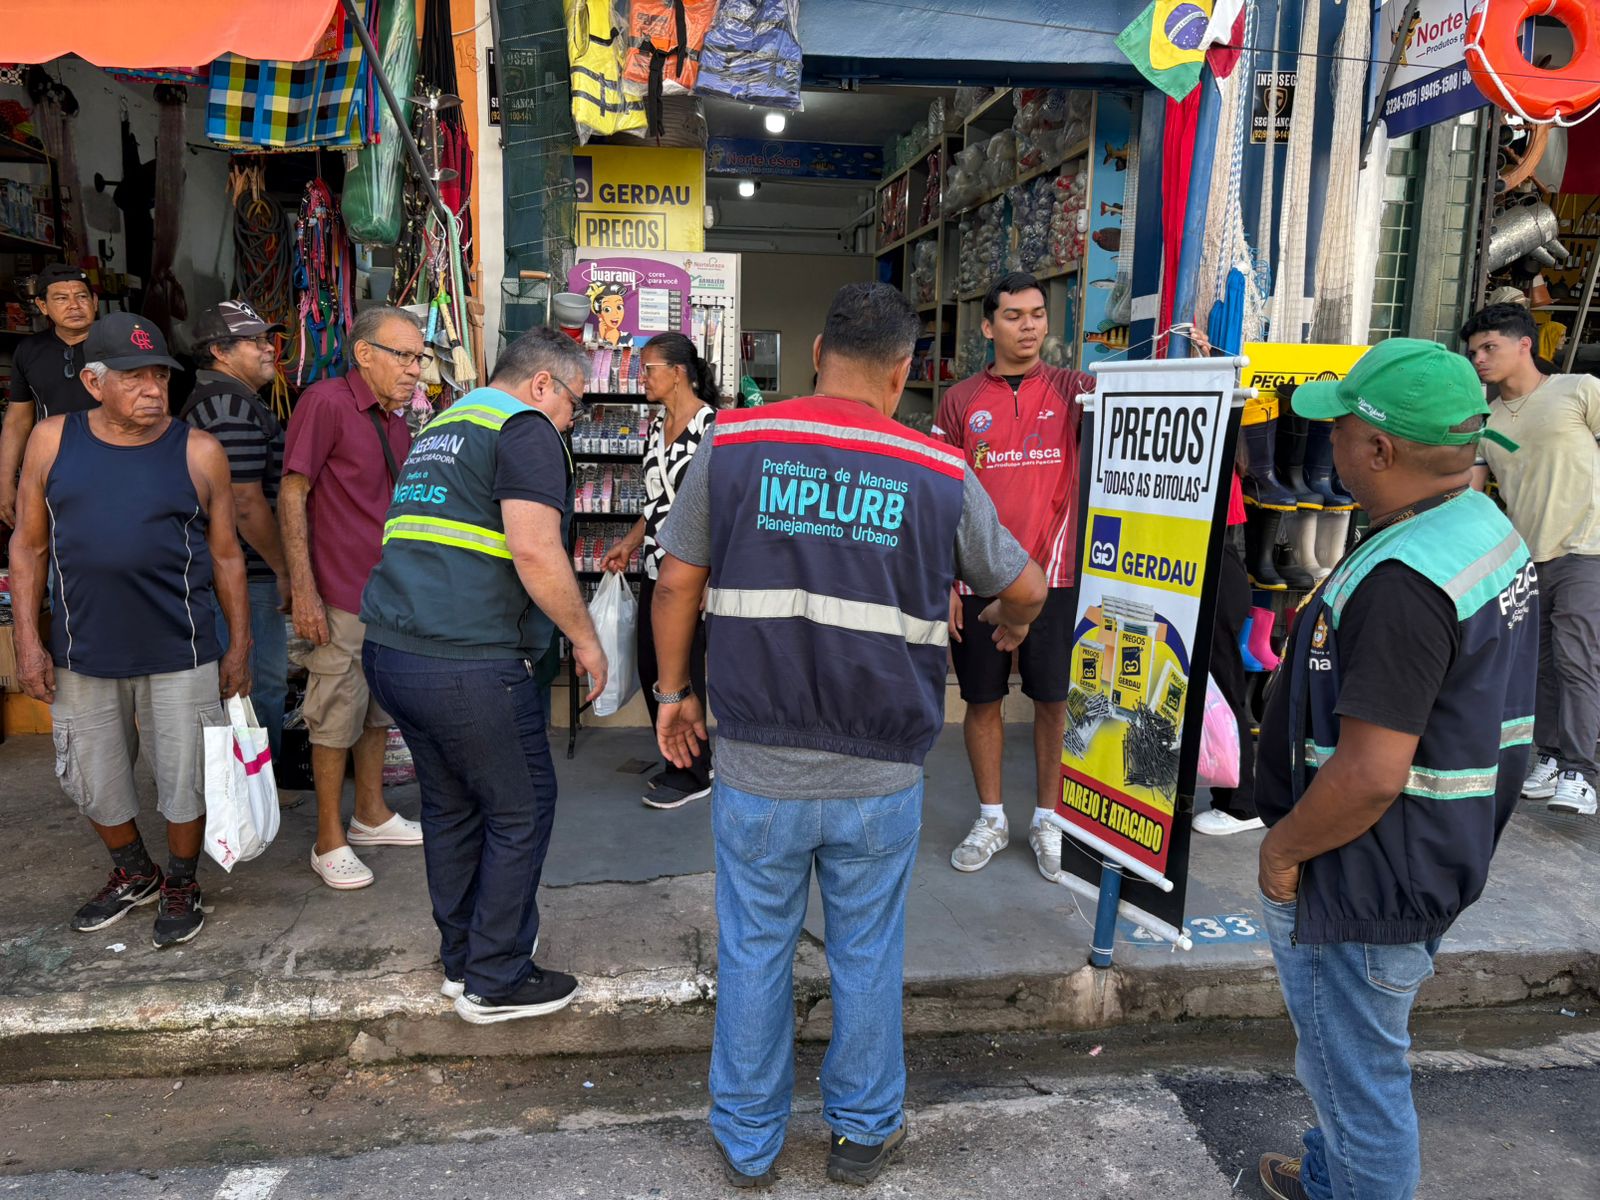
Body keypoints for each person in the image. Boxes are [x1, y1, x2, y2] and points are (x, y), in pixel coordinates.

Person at [652, 283, 1046, 1187]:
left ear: (817, 353)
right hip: (880, 774)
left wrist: (675, 694)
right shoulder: (940, 470)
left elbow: (675, 584)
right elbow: (1024, 586)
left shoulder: (733, 442)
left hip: (758, 764)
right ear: (904, 372)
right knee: (867, 951)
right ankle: (863, 1131)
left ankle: (748, 1141)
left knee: (754, 948)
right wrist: (1013, 623)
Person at [1252, 339, 1538, 1200]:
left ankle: (1351, 1177)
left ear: (1378, 450)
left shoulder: (1405, 583)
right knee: (1342, 1059)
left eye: (1339, 428)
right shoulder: (1476, 524)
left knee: (1358, 1082)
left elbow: (1371, 773)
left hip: (1365, 872)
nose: (1329, 442)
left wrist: (1282, 854)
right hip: (1432, 851)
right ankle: (1329, 1175)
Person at [361, 327, 607, 1024]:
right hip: (466, 660)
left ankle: (462, 958)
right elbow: (534, 550)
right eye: (574, 402)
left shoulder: (445, 425)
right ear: (541, 385)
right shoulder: (525, 428)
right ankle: (496, 978)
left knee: (452, 807)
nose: (572, 419)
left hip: (394, 651)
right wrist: (585, 639)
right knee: (521, 806)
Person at [6, 314, 252, 948]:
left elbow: (227, 555)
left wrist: (240, 645)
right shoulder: (52, 440)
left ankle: (181, 881)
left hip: (182, 647)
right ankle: (135, 871)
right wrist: (27, 640)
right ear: (94, 383)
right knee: (93, 775)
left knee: (187, 776)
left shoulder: (199, 451)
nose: (152, 389)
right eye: (133, 377)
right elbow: (28, 546)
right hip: (83, 648)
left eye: (160, 377)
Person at [932, 271, 1095, 882]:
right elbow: (941, 495)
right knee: (982, 701)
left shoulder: (1076, 391)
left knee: (1054, 702)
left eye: (1037, 314)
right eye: (1013, 316)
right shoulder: (959, 401)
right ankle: (992, 819)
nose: (1028, 327)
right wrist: (944, 580)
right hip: (979, 581)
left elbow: (1139, 399)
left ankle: (1049, 821)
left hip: (1057, 576)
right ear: (987, 325)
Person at [279, 306, 425, 890]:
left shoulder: (396, 422)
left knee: (375, 711)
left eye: (419, 357)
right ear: (365, 353)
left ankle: (371, 814)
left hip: (386, 595)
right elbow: (293, 493)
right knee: (333, 716)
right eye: (404, 356)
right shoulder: (327, 403)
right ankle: (328, 838)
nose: (415, 369)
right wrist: (304, 589)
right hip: (339, 592)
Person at [1463, 302, 1600, 816]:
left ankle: (1581, 772)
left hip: (1588, 547)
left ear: (1525, 344)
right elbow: (1474, 492)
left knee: (1575, 657)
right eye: (1474, 351)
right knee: (1539, 665)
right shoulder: (1487, 421)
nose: (1479, 358)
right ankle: (1552, 756)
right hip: (1527, 554)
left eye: (1489, 347)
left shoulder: (1578, 389)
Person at [600, 331, 716, 808]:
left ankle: (692, 773)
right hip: (654, 567)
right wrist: (629, 543)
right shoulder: (656, 427)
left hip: (692, 575)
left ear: (678, 373)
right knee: (653, 665)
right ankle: (681, 759)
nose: (641, 377)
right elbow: (656, 501)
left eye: (648, 368)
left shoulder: (713, 428)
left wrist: (715, 576)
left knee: (682, 669)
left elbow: (725, 508)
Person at [181, 300, 291, 768]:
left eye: (268, 339)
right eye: (257, 341)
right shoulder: (226, 407)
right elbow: (244, 503)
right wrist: (285, 569)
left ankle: (249, 785)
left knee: (252, 683)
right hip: (245, 573)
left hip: (244, 570)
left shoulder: (232, 400)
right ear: (220, 352)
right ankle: (253, 788)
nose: (269, 349)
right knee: (256, 684)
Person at [0, 263, 98, 527]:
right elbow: (17, 420)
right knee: (52, 543)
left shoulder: (118, 345)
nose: (74, 305)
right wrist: (5, 481)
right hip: (52, 471)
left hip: (115, 465)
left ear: (94, 301)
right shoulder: (29, 350)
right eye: (61, 298)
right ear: (43, 306)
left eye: (81, 296)